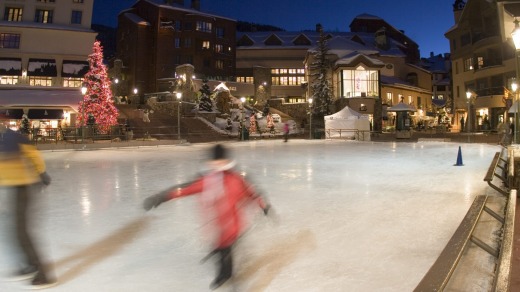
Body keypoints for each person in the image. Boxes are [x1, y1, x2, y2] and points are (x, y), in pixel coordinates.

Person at [143, 144, 271, 290]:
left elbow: (251, 193)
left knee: (226, 250)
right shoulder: (207, 180)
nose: (217, 164)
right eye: (215, 161)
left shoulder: (236, 179)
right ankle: (224, 272)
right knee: (218, 248)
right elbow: (185, 190)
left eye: (220, 161)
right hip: (216, 224)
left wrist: (264, 206)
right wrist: (161, 197)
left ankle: (228, 275)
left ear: (226, 160)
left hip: (232, 223)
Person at [0, 116, 55, 289]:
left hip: (23, 186)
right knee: (13, 231)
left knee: (21, 231)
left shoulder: (12, 137)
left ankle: (43, 273)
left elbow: (32, 153)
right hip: (11, 187)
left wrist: (41, 173)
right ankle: (30, 264)